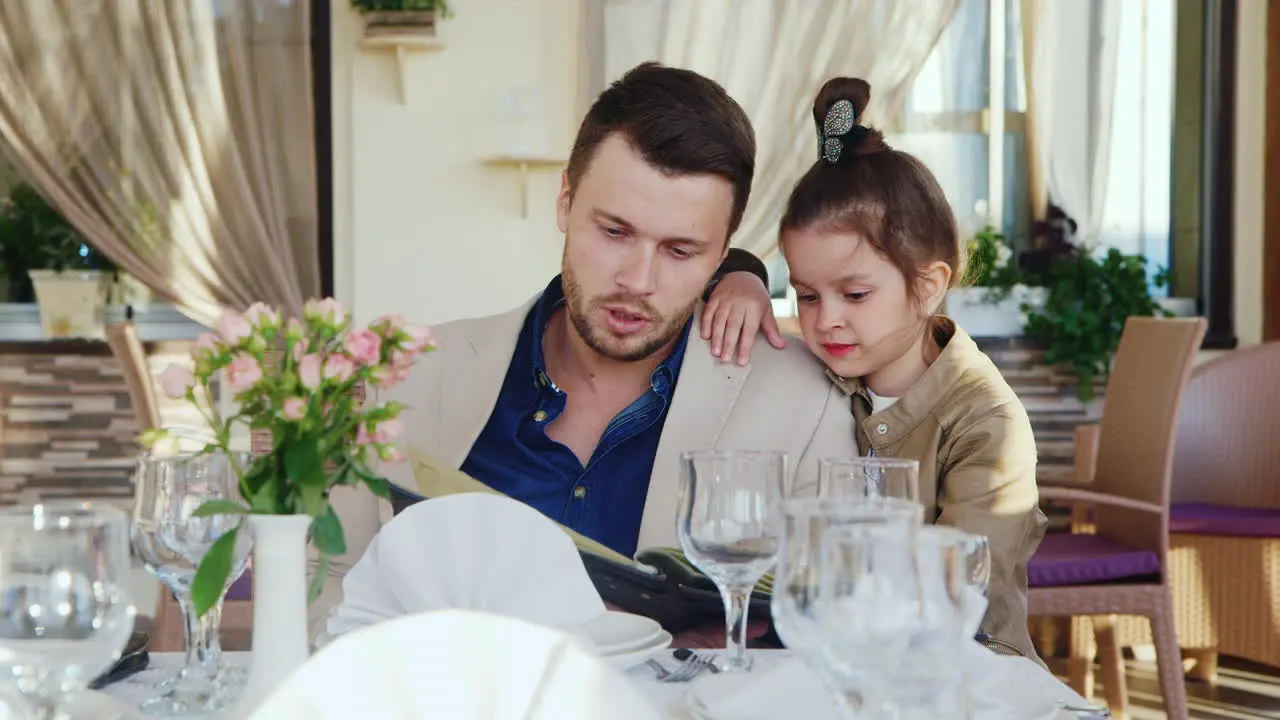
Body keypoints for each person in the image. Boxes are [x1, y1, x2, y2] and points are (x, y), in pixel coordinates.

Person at [313, 62, 853, 637]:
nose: (636, 279)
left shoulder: (804, 405)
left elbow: (837, 637)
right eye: (614, 232)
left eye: (679, 251)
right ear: (565, 203)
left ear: (723, 254)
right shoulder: (408, 379)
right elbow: (325, 589)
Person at [771, 77, 1047, 659]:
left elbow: (961, 591)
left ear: (927, 287)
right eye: (808, 295)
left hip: (966, 678)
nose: (826, 322)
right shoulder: (824, 378)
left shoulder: (986, 425)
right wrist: (743, 276)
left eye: (855, 294)